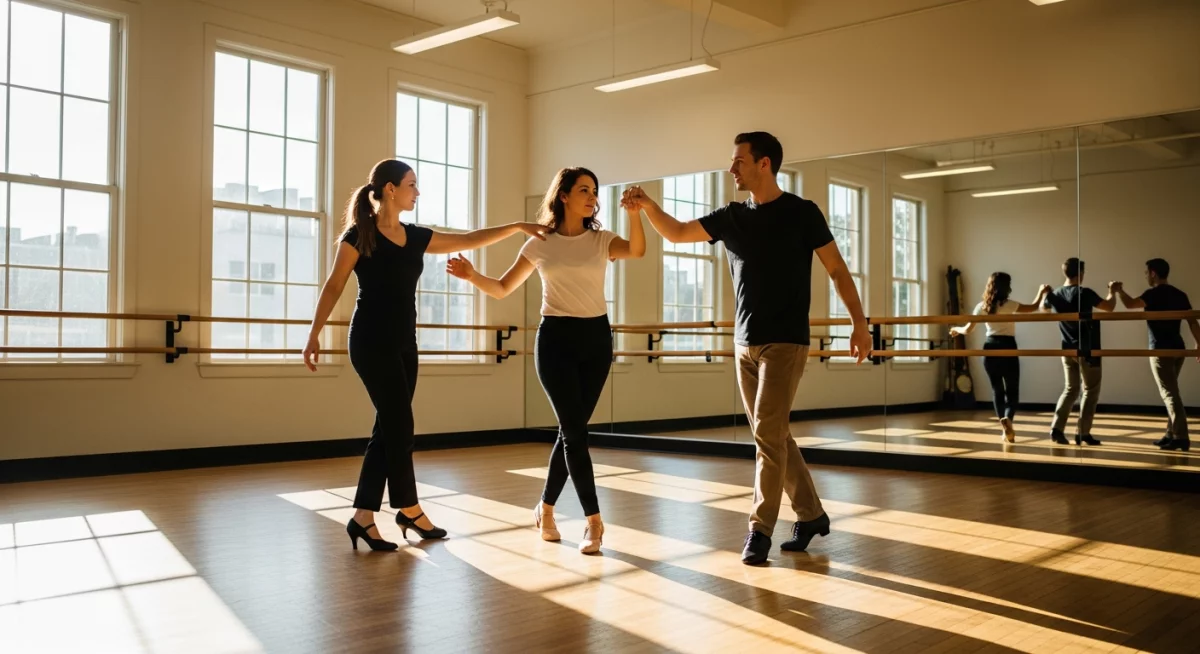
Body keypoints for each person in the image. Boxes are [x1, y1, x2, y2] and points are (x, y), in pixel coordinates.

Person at [622, 132, 871, 566]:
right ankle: (811, 514)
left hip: (786, 342)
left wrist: (859, 323)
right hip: (744, 345)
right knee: (773, 437)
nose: (731, 168)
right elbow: (679, 233)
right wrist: (646, 207)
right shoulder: (732, 217)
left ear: (765, 164)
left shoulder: (802, 213)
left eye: (739, 160)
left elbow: (837, 269)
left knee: (766, 438)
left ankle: (759, 531)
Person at [302, 159, 549, 551]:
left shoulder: (416, 237)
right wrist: (314, 334)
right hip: (369, 341)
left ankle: (363, 517)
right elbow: (334, 286)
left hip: (405, 343)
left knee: (389, 427)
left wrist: (518, 227)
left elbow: (470, 239)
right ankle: (409, 508)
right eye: (411, 185)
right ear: (389, 189)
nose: (417, 192)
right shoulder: (359, 236)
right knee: (399, 425)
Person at [447, 167, 645, 554]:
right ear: (564, 196)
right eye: (584, 190)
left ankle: (546, 509)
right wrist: (472, 276)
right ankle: (594, 523)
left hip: (595, 340)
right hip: (555, 340)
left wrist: (636, 215)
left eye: (595, 191)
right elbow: (504, 288)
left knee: (570, 432)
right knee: (575, 433)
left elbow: (637, 251)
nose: (592, 197)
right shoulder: (540, 243)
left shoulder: (602, 240)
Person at [951, 274, 1051, 442]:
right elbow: (1033, 307)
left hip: (990, 348)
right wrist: (1041, 292)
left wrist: (956, 329)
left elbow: (968, 330)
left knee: (997, 390)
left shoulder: (981, 306)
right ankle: (1008, 420)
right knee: (1012, 391)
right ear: (1006, 287)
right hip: (1008, 347)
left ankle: (1004, 427)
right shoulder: (1010, 305)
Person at [1112, 258, 1199, 452]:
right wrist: (1199, 343)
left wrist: (1118, 291)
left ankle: (1181, 437)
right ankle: (1170, 434)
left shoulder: (1152, 294)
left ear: (1153, 273)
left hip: (1161, 350)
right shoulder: (1180, 294)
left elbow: (1130, 304)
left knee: (1169, 394)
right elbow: (1192, 321)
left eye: (1146, 273)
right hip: (1178, 349)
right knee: (1172, 392)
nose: (1145, 276)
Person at [1042, 257, 1117, 446]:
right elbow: (1109, 307)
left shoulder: (1056, 294)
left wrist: (1045, 293)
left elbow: (1043, 309)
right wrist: (1112, 292)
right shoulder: (1084, 292)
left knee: (1070, 389)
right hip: (1087, 348)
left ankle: (1056, 429)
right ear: (1081, 274)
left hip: (1067, 349)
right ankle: (1083, 433)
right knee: (1090, 390)